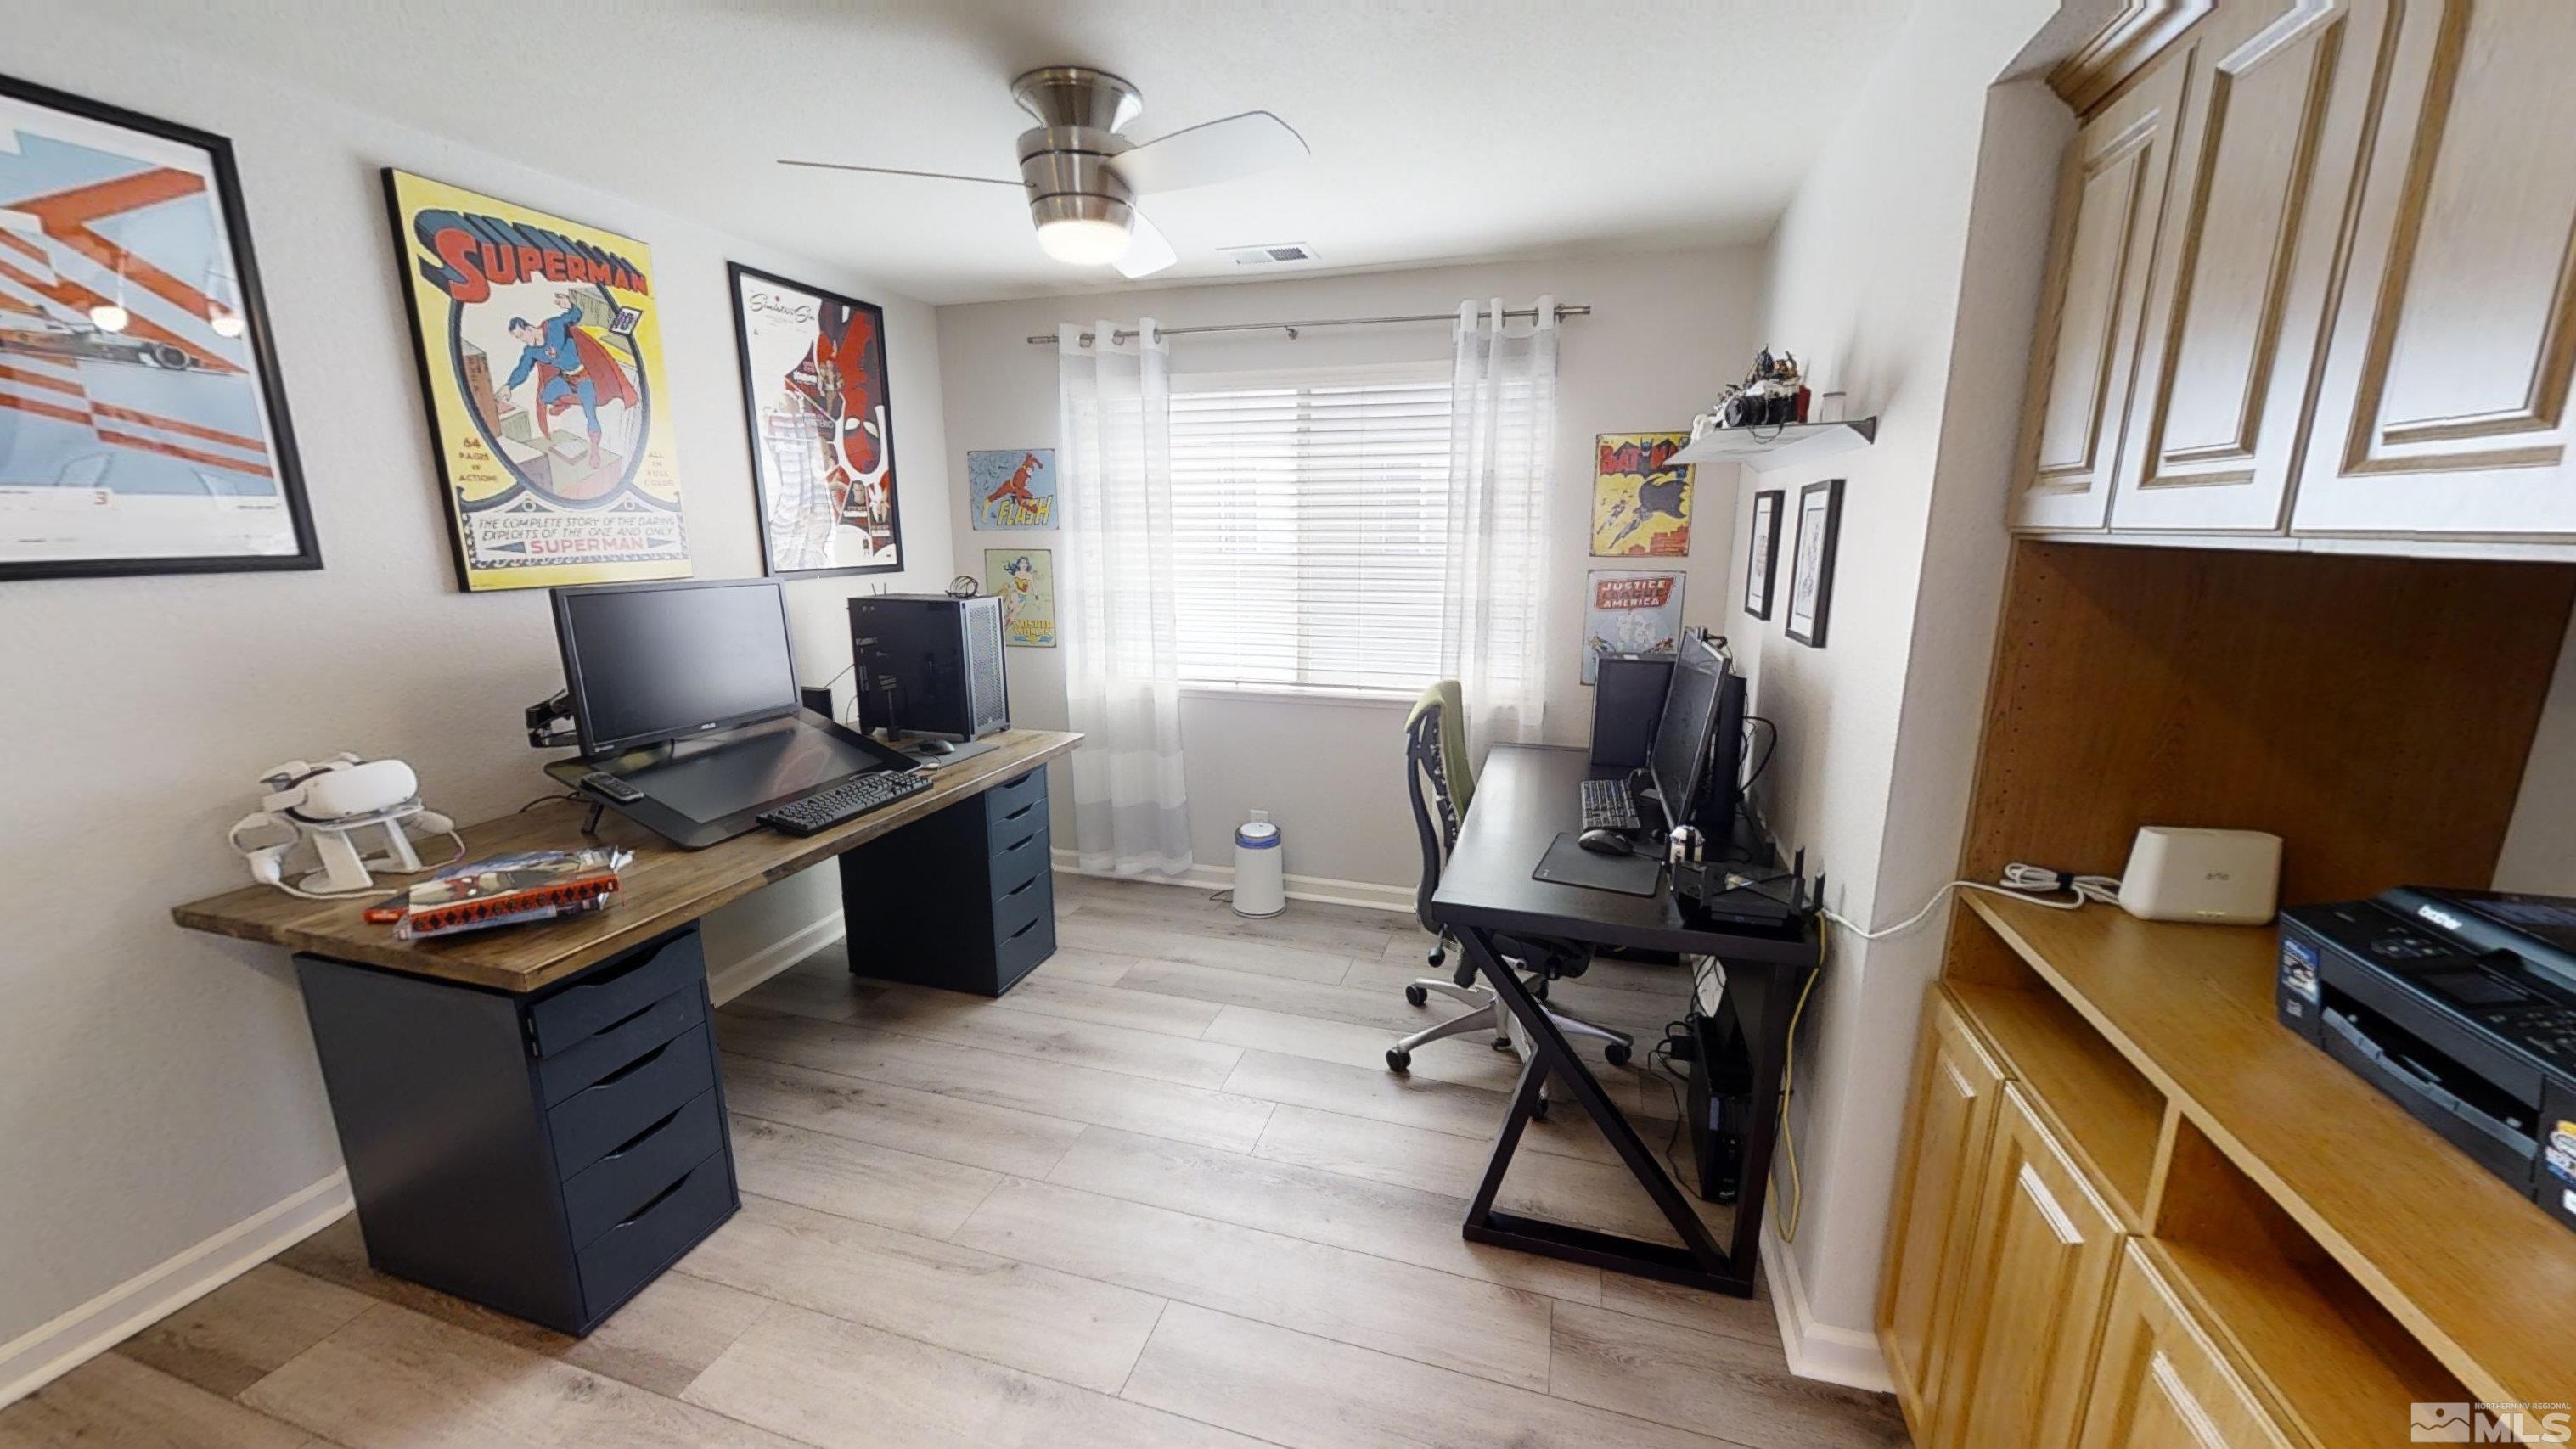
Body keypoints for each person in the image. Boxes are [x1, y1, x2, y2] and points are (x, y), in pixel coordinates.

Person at [506, 292, 609, 469]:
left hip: (584, 378)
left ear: (529, 329)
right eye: (518, 338)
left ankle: (594, 451)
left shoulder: (554, 326)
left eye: (522, 336)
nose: (522, 340)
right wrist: (509, 386)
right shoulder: (531, 351)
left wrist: (570, 306)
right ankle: (564, 403)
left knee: (590, 415)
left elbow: (575, 317)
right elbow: (522, 370)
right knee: (545, 397)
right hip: (566, 380)